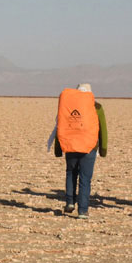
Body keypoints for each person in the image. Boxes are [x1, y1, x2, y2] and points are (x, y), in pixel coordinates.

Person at [47, 83, 108, 219]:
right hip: (89, 147)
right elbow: (103, 129)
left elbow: (61, 127)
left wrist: (58, 149)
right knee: (85, 179)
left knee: (71, 173)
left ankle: (69, 202)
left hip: (70, 145)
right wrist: (103, 149)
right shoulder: (96, 107)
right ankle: (83, 210)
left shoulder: (67, 106)